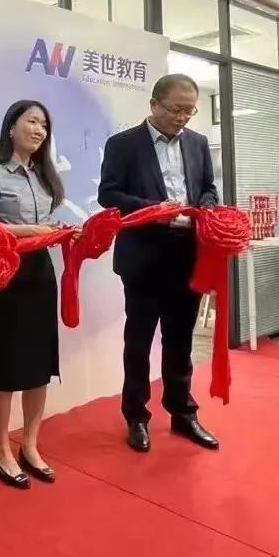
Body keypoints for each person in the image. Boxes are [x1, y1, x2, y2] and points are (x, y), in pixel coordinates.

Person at [98, 73, 220, 453]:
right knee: (138, 341)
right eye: (175, 109)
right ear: (154, 104)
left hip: (187, 253)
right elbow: (108, 194)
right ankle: (136, 415)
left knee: (180, 340)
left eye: (189, 110)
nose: (182, 117)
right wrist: (153, 210)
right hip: (144, 255)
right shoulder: (123, 144)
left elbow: (208, 189)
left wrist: (207, 208)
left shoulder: (197, 143)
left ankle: (182, 412)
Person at [0, 100, 65, 489]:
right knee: (6, 365)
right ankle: (0, 449)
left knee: (39, 365)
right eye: (32, 121)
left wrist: (60, 231)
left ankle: (30, 445)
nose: (39, 130)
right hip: (6, 273)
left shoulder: (44, 176)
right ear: (11, 127)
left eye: (44, 124)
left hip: (41, 273)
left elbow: (47, 224)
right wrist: (33, 231)